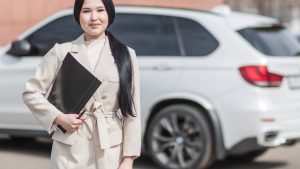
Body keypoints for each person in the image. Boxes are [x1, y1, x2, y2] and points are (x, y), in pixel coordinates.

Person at [22, 0, 141, 168]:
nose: (94, 17)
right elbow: (31, 92)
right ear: (78, 15)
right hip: (70, 147)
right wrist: (59, 118)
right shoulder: (61, 52)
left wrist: (129, 159)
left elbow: (133, 111)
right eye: (86, 11)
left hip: (110, 148)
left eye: (100, 10)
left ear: (109, 13)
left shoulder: (126, 55)